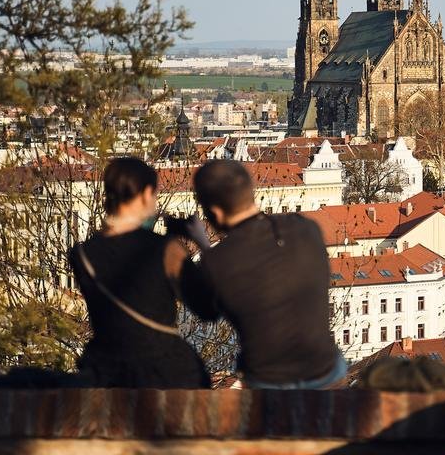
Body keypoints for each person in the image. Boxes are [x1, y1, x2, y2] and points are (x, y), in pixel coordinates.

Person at [179, 159, 345, 389]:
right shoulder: (307, 228)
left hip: (270, 383)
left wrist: (200, 250)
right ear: (250, 192)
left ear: (214, 211)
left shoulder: (218, 262)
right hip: (328, 372)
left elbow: (206, 311)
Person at [69, 156, 209, 389]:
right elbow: (206, 308)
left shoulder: (81, 254)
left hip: (107, 370)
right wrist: (203, 245)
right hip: (164, 371)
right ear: (145, 194)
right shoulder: (165, 250)